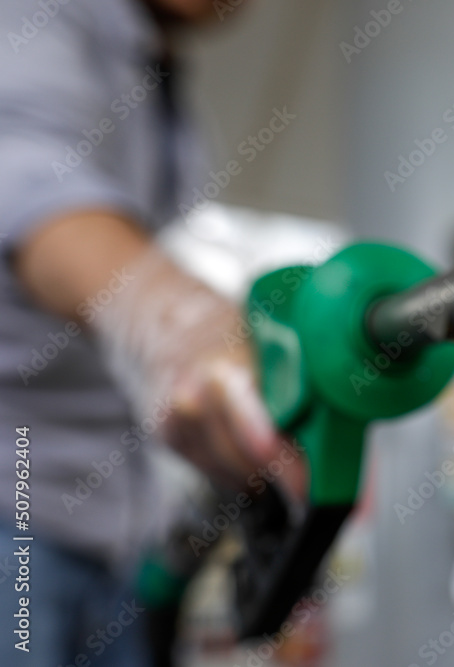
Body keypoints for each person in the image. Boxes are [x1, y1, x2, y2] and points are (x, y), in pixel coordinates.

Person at [0, 0, 306, 664]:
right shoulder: (38, 18)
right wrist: (176, 320)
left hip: (115, 536)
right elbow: (33, 191)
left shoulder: (160, 80)